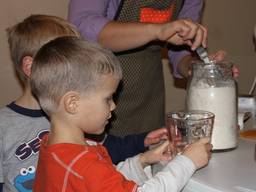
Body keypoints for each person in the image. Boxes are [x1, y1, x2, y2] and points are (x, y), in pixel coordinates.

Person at [0, 14, 167, 192]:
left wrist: (142, 141)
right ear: (31, 67)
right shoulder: (5, 125)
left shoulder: (77, 118)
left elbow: (107, 148)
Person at [31, 36, 212, 192]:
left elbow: (103, 181)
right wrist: (188, 162)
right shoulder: (82, 163)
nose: (113, 106)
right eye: (107, 98)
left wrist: (142, 161)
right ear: (73, 103)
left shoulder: (55, 148)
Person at [68, 0, 226, 137]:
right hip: (94, 98)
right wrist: (157, 31)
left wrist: (195, 68)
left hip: (148, 100)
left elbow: (181, 49)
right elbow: (82, 29)